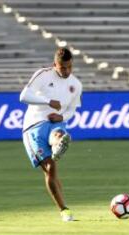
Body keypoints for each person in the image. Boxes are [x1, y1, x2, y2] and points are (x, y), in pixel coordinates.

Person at [20, 47, 83, 221]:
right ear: (55, 64)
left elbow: (72, 110)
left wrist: (61, 116)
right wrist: (48, 101)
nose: (67, 71)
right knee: (50, 169)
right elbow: (24, 96)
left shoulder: (76, 85)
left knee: (59, 136)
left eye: (70, 67)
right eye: (63, 67)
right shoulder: (43, 75)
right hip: (33, 126)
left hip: (56, 122)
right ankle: (63, 209)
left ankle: (58, 145)